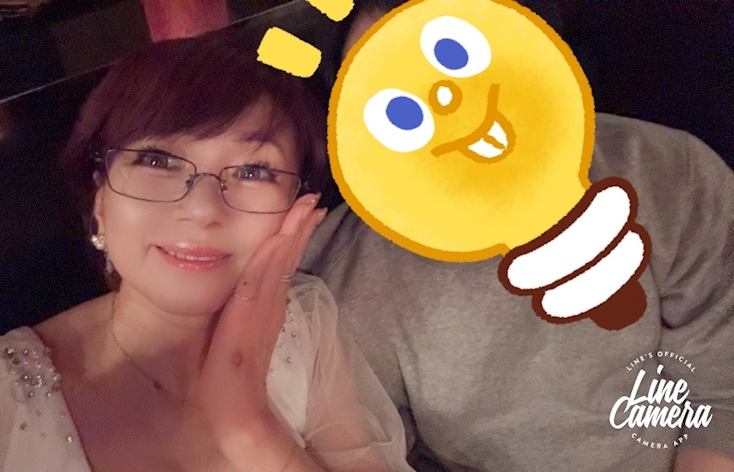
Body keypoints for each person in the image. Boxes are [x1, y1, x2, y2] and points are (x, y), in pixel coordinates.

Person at [0, 28, 413, 471]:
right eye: (158, 161)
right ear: (99, 196)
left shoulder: (302, 326)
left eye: (254, 170)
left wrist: (248, 426)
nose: (203, 208)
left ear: (298, 205)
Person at [301, 1, 734, 471]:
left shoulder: (672, 174)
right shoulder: (343, 277)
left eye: (452, 54)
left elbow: (721, 393)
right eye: (397, 103)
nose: (446, 99)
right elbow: (370, 451)